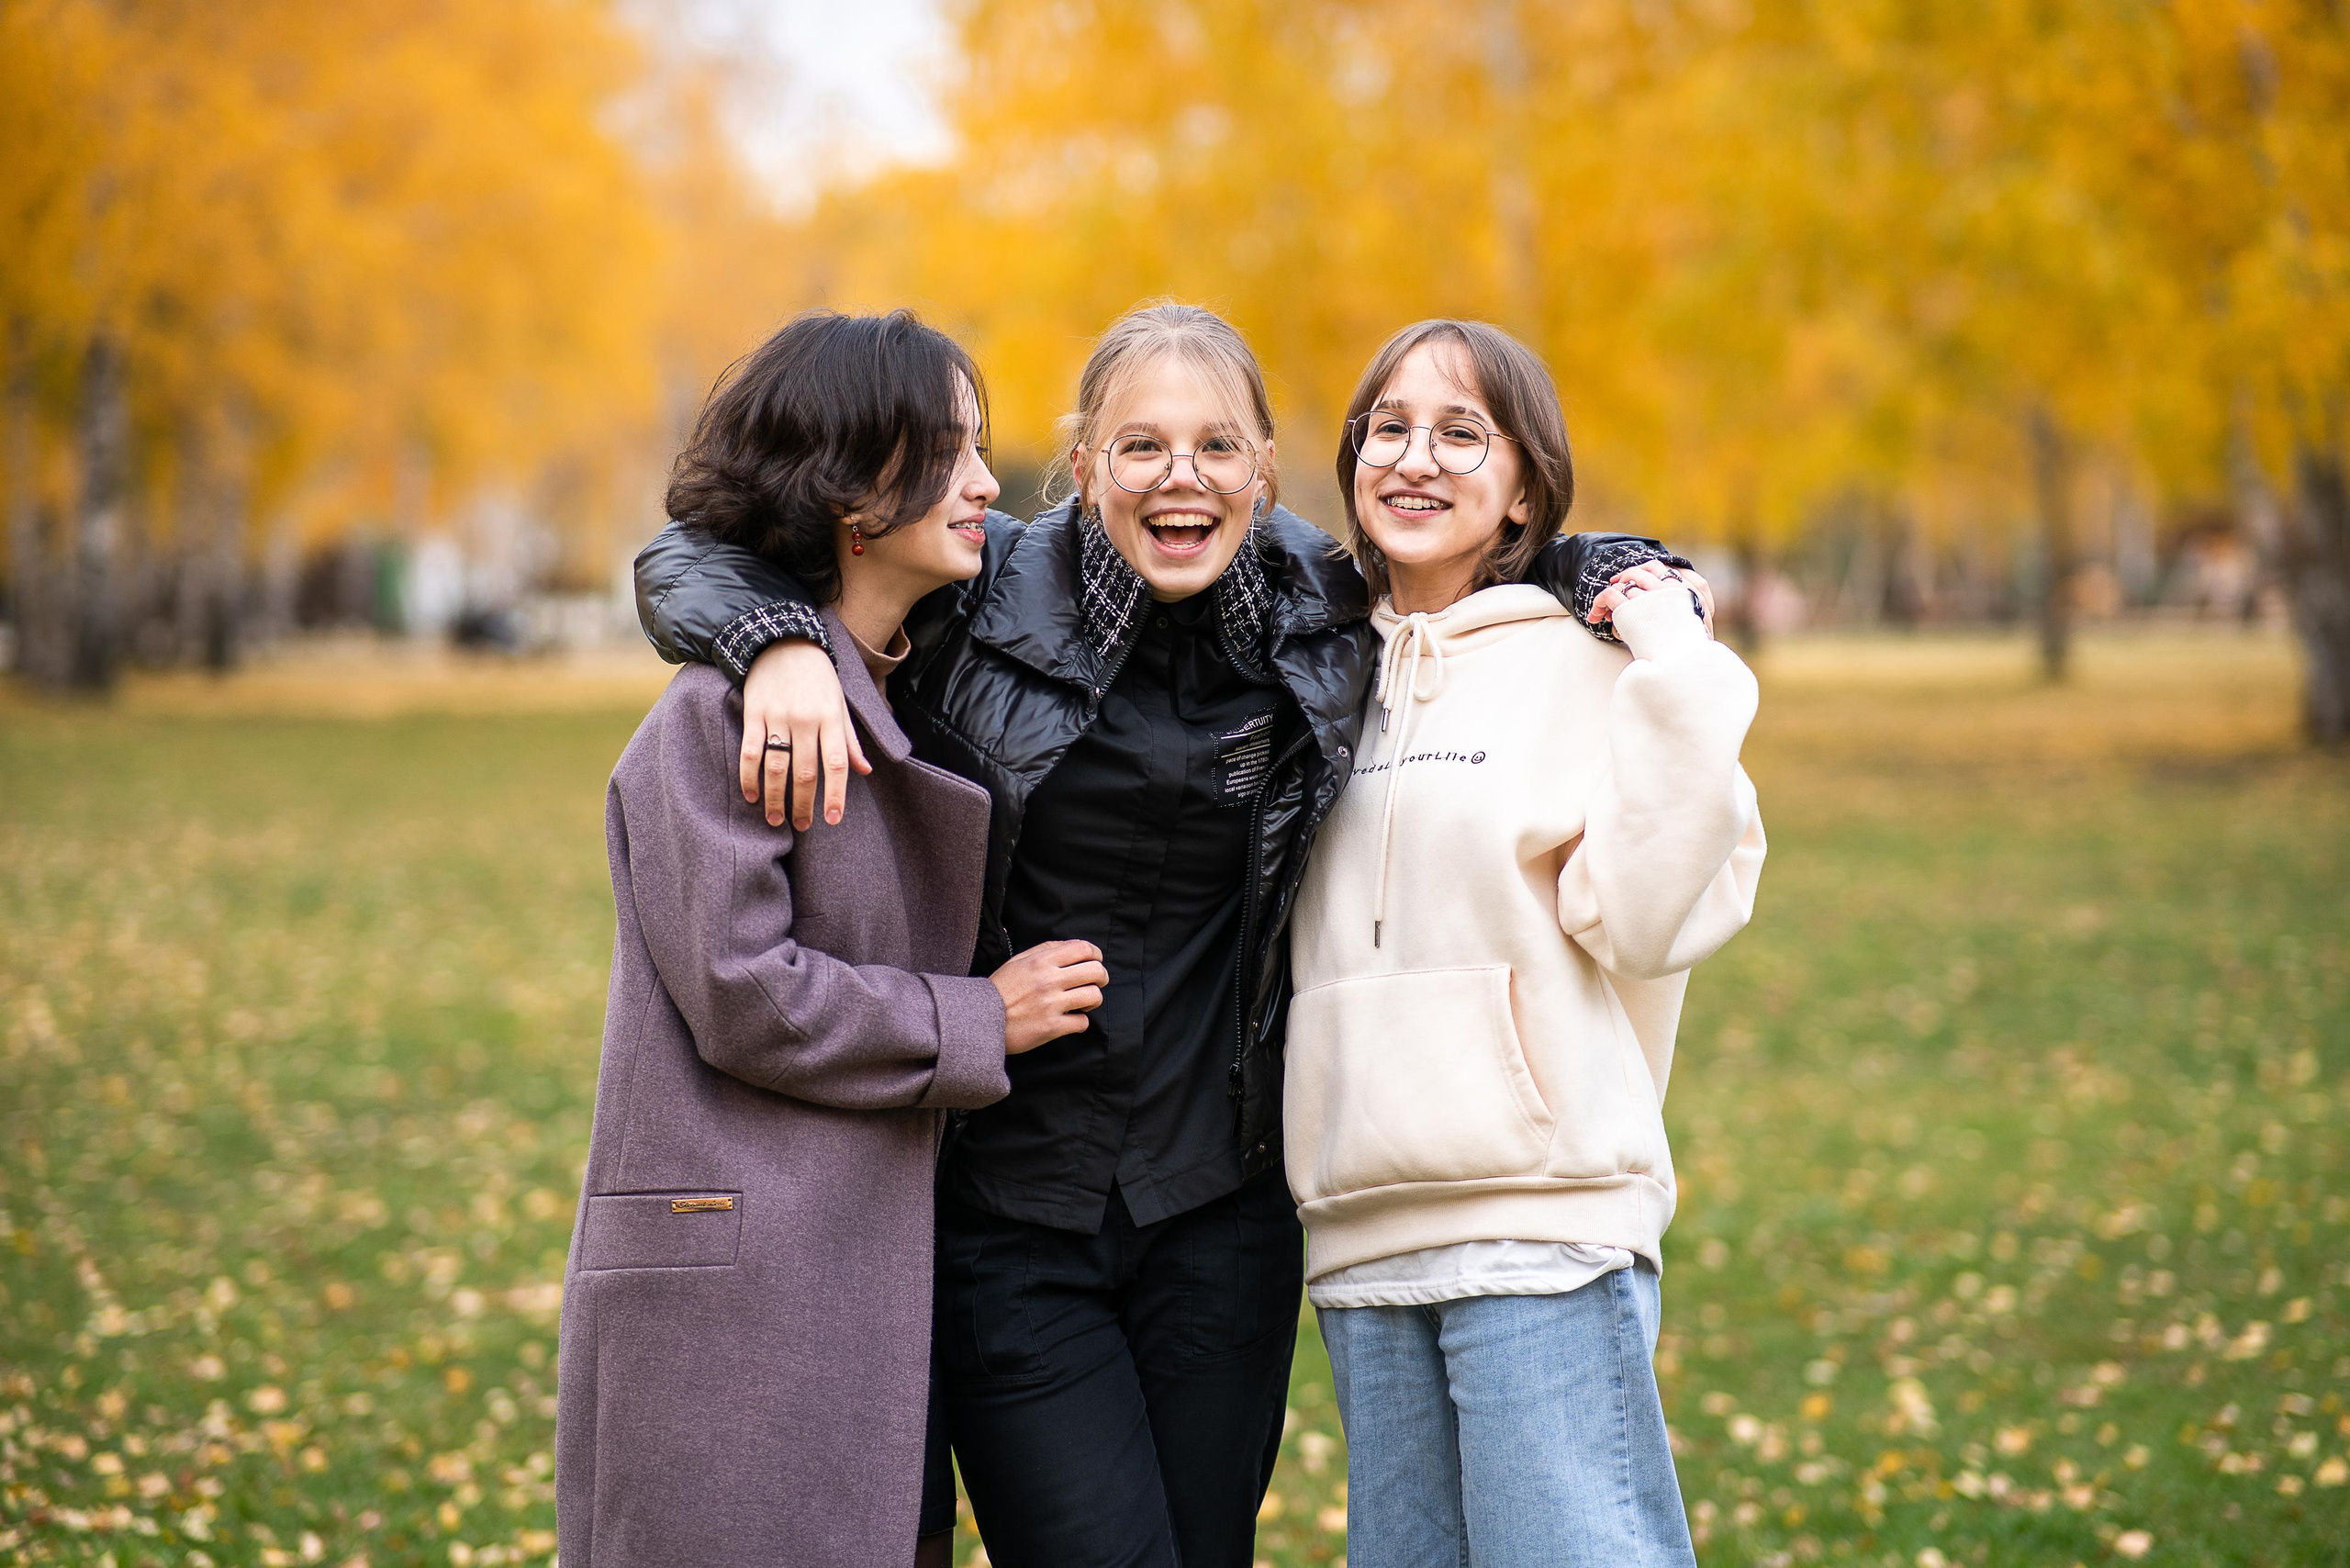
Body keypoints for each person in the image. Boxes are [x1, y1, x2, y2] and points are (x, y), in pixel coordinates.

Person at [627, 302, 1709, 1568]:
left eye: (1215, 448)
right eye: (1139, 448)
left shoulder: (1315, 607)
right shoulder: (980, 596)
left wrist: (1615, 573)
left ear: (1265, 469)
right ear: (1081, 467)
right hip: (1014, 1213)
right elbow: (691, 559)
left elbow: (1479, 546)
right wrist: (778, 643)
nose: (1179, 478)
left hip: (1221, 1215)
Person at [554, 310, 1107, 1568]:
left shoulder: (902, 676)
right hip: (736, 1306)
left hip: (857, 1293)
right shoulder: (720, 722)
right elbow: (747, 993)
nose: (986, 483)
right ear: (857, 489)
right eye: (951, 451)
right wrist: (980, 1017)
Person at [1283, 319, 1767, 1567]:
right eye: (1388, 427)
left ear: (1521, 489)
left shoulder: (1588, 665)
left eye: (1460, 433)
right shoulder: (1316, 670)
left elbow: (1656, 920)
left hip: (1542, 1216)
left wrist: (1674, 657)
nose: (1415, 459)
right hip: (1360, 1221)